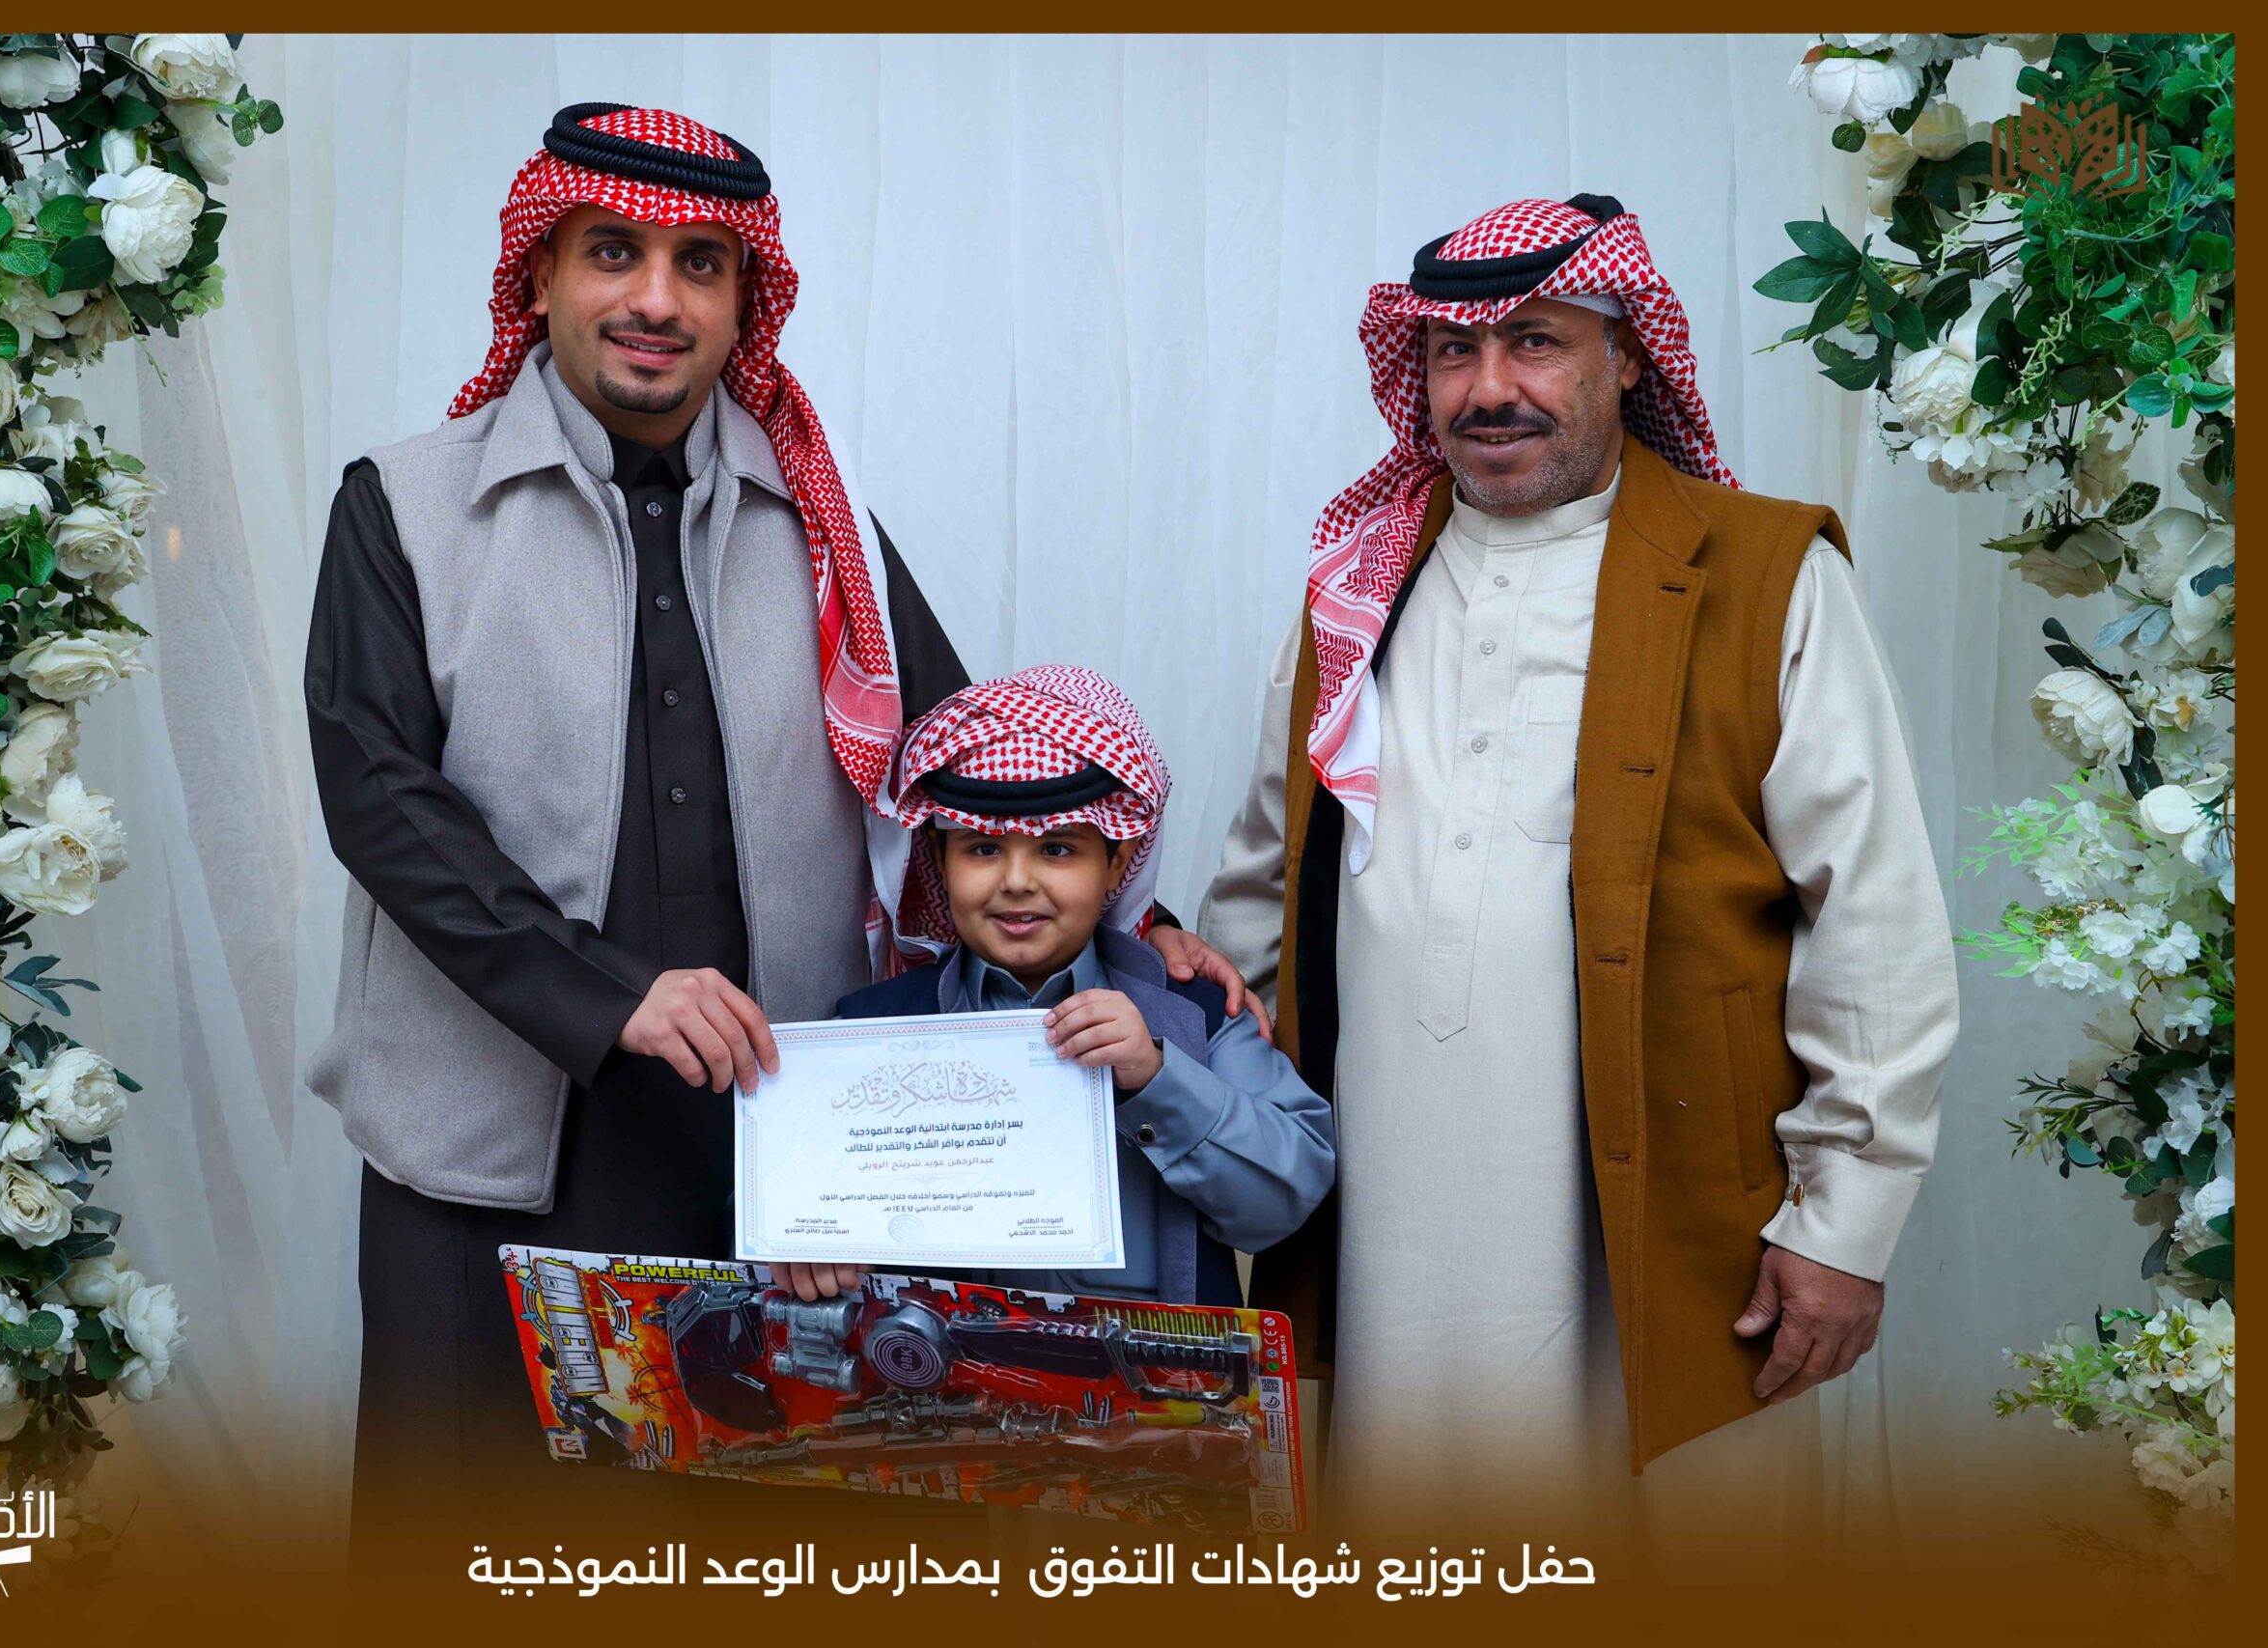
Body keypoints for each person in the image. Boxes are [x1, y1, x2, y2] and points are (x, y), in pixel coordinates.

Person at [300, 104, 1256, 1561]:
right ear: (539, 272)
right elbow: (379, 797)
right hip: (490, 1141)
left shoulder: (818, 517)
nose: (655, 299)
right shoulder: (407, 506)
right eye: (612, 254)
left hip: (777, 1148)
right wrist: (613, 992)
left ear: (745, 298)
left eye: (701, 264)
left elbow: (971, 763)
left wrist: (1145, 927)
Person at [1197, 194, 1960, 1530]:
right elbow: (1259, 893)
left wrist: (1844, 1222)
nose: (1489, 389)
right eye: (1453, 351)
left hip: (1672, 1224)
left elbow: (1875, 921)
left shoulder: (1765, 575)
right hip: (1379, 1224)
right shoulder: (1353, 590)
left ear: (1629, 356)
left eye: (1537, 342)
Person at [825, 666, 1334, 1308]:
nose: (1017, 881)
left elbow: (1290, 1198)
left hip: (1151, 1376)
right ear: (939, 860)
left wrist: (1158, 1079)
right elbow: (784, 1207)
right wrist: (809, 1243)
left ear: (1116, 862)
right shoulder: (868, 1032)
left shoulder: (1198, 1017)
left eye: (1057, 849)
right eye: (983, 848)